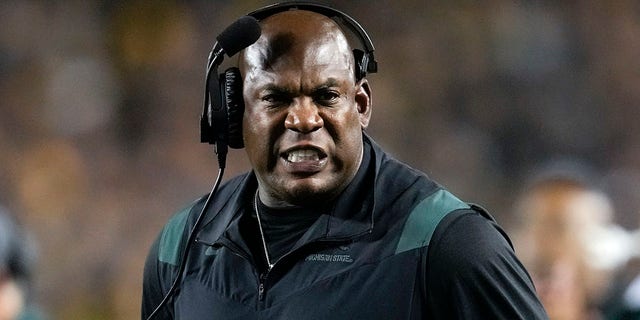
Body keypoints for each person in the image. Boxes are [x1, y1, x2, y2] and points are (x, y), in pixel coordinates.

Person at [142, 3, 548, 319]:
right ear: (232, 115)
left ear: (362, 105)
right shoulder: (180, 249)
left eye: (326, 96)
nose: (303, 119)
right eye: (275, 98)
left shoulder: (449, 245)